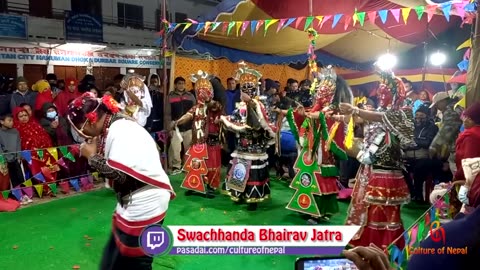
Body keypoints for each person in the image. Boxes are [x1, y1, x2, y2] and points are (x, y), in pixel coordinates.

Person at [66, 92, 175, 270]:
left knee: (137, 261)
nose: (80, 133)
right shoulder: (115, 124)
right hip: (133, 198)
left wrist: (92, 157)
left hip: (146, 199)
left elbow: (121, 176)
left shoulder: (121, 131)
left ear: (91, 121)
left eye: (79, 127)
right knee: (115, 256)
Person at [342, 70, 414, 249]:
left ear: (397, 94)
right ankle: (366, 239)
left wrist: (355, 110)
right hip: (372, 167)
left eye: (386, 93)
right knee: (369, 205)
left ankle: (384, 244)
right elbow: (360, 118)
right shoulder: (378, 111)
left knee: (384, 207)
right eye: (380, 93)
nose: (382, 96)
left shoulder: (403, 113)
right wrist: (346, 113)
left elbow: (381, 117)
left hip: (388, 170)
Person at [220, 64, 276, 211]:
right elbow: (234, 118)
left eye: (248, 89)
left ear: (254, 90)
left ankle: (253, 198)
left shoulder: (260, 105)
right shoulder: (241, 106)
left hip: (255, 146)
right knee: (240, 167)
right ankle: (238, 193)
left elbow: (260, 124)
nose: (245, 92)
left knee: (253, 170)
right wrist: (224, 119)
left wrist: (251, 103)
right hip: (242, 145)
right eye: (243, 89)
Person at [174, 71, 223, 198]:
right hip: (198, 141)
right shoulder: (196, 107)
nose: (201, 94)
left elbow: (214, 106)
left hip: (211, 141)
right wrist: (178, 121)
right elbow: (188, 115)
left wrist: (208, 100)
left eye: (205, 91)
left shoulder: (215, 105)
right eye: (200, 91)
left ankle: (211, 187)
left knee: (211, 165)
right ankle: (194, 185)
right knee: (195, 163)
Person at [403, 104, 438, 202]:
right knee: (400, 168)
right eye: (417, 115)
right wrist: (418, 141)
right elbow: (404, 141)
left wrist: (413, 141)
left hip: (424, 157)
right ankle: (412, 192)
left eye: (421, 116)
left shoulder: (432, 127)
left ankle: (418, 194)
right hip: (409, 156)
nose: (418, 118)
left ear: (427, 117)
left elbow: (427, 143)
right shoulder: (410, 126)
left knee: (419, 168)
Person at [165, 77, 196, 175]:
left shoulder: (190, 96)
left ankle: (187, 166)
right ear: (175, 85)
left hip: (189, 127)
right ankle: (176, 167)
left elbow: (195, 111)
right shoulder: (170, 97)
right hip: (176, 128)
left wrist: (195, 126)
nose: (181, 85)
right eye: (179, 83)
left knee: (188, 149)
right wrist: (169, 128)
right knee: (176, 149)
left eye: (183, 83)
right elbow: (167, 114)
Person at [455, 102, 480, 214]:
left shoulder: (471, 136)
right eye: (465, 117)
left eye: (469, 118)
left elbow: (468, 162)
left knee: (466, 211)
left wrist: (457, 179)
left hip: (471, 182)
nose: (464, 120)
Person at [0, 114, 26, 195]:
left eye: (12, 120)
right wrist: (4, 159)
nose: (12, 122)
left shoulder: (15, 131)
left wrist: (18, 156)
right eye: (9, 120)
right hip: (4, 160)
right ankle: (14, 195)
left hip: (15, 159)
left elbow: (18, 145)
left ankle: (24, 194)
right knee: (10, 179)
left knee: (20, 177)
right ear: (2, 122)